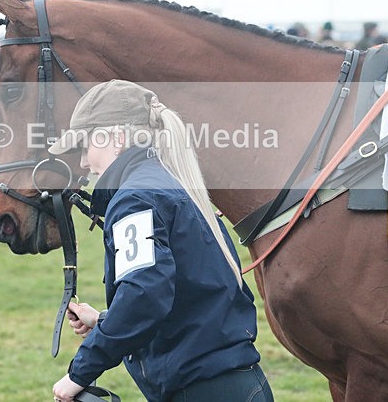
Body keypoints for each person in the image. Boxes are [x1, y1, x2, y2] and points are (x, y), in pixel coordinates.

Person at [50, 80, 272, 402]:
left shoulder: (135, 198)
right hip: (228, 383)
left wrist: (79, 373)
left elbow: (143, 296)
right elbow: (184, 293)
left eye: (86, 146)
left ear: (118, 139)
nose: (84, 161)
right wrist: (103, 320)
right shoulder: (167, 183)